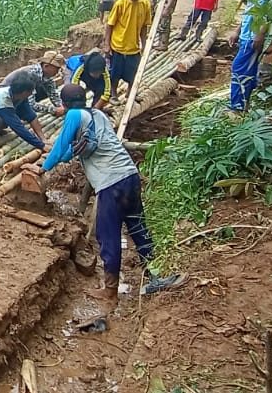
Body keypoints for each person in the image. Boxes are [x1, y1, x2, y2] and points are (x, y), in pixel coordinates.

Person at [24, 85, 184, 298]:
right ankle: (156, 275)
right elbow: (72, 151)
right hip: (129, 175)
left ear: (63, 105)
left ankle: (110, 289)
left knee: (108, 234)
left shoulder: (73, 115)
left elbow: (62, 145)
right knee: (137, 226)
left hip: (111, 183)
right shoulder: (97, 114)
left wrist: (43, 168)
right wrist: (60, 155)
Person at [229, 0, 272, 112]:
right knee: (245, 69)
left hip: (253, 36)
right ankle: (243, 103)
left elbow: (268, 12)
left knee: (240, 69)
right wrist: (237, 30)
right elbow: (251, 11)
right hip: (246, 34)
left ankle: (238, 107)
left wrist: (260, 34)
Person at [104, 0, 152, 99]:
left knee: (134, 72)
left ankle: (130, 93)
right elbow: (110, 25)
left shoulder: (145, 4)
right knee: (115, 73)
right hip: (118, 45)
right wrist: (107, 44)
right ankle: (113, 94)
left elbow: (144, 27)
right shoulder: (120, 4)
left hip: (133, 46)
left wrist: (144, 44)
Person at [0, 82, 48, 153]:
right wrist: (41, 145)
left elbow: (31, 115)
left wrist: (43, 139)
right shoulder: (3, 100)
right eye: (31, 91)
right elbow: (17, 127)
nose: (32, 93)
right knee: (0, 120)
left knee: (6, 118)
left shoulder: (20, 96)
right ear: (24, 92)